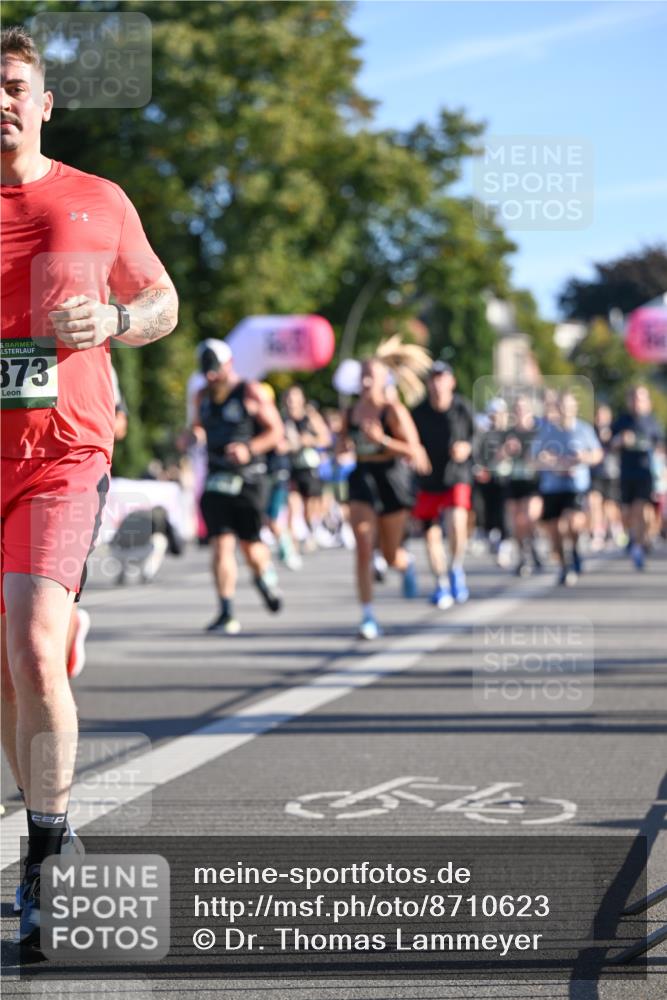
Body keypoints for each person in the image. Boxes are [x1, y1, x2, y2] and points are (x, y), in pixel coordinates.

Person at [1, 26, 179, 952]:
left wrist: (111, 317)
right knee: (8, 667)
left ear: (43, 102)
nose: (1, 100)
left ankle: (44, 854)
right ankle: (49, 824)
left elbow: (162, 302)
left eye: (13, 85)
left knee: (34, 646)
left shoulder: (96, 198)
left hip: (65, 454)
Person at [337, 336, 430, 639]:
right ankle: (367, 615)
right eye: (362, 376)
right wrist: (341, 450)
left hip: (390, 479)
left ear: (382, 381)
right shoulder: (350, 413)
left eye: (370, 376)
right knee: (363, 546)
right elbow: (340, 445)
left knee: (390, 554)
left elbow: (414, 450)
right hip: (362, 477)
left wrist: (383, 440)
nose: (365, 382)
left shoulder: (393, 411)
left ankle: (405, 564)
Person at [192, 340, 284, 633]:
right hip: (216, 477)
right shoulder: (201, 396)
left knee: (251, 548)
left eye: (214, 370)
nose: (210, 376)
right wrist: (190, 436)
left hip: (249, 478)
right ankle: (226, 611)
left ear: (228, 364)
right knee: (221, 545)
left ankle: (263, 575)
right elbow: (197, 426)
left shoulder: (250, 391)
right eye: (206, 371)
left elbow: (276, 431)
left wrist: (248, 448)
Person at [411, 361, 475, 608]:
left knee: (457, 522)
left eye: (442, 378)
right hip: (427, 480)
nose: (437, 384)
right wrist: (414, 453)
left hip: (456, 475)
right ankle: (441, 583)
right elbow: (409, 440)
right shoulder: (418, 412)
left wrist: (467, 447)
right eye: (433, 379)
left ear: (451, 382)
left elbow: (477, 436)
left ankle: (456, 567)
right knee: (431, 537)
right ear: (428, 384)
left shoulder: (462, 408)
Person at [534, 390, 602, 586]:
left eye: (569, 406)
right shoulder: (547, 431)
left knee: (571, 523)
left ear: (575, 407)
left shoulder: (584, 429)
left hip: (576, 485)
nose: (565, 410)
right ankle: (565, 565)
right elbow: (533, 458)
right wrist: (546, 460)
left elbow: (597, 454)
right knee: (554, 530)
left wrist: (584, 458)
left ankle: (574, 549)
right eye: (562, 406)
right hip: (551, 487)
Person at [611, 385, 664, 569]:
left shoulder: (652, 422)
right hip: (626, 473)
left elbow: (660, 446)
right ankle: (634, 537)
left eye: (640, 399)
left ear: (647, 401)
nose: (637, 402)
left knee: (641, 510)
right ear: (629, 401)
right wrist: (620, 441)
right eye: (634, 398)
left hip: (645, 473)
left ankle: (638, 548)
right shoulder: (622, 421)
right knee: (627, 514)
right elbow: (609, 444)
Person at [282, 385, 331, 552]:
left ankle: (310, 531)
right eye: (288, 398)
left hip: (309, 466)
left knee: (310, 507)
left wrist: (308, 441)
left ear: (302, 400)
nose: (291, 402)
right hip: (290, 466)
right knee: (292, 502)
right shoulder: (283, 419)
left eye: (294, 398)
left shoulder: (310, 417)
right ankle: (292, 542)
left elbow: (325, 438)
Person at [501, 394, 543, 576]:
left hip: (533, 481)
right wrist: (506, 451)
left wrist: (534, 457)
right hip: (513, 481)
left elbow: (547, 455)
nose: (520, 412)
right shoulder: (508, 433)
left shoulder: (538, 432)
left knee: (529, 517)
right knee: (517, 522)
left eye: (523, 408)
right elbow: (496, 458)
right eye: (517, 409)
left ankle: (533, 544)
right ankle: (523, 556)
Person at [588, 403, 622, 551]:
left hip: (612, 473)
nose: (601, 418)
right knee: (594, 501)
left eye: (604, 415)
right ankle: (598, 533)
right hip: (595, 473)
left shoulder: (615, 429)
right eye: (599, 415)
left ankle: (615, 529)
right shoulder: (591, 432)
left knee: (609, 505)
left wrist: (613, 440)